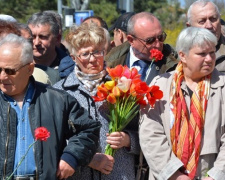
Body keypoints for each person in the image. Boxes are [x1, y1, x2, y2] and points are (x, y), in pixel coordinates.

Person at [0, 34, 101, 180]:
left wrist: (71, 157)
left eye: (10, 71)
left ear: (29, 69)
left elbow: (88, 130)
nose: (2, 77)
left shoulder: (57, 99)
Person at [54, 22, 140, 180]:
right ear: (73, 57)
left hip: (119, 174)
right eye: (85, 54)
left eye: (97, 52)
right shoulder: (59, 91)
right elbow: (53, 139)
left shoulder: (123, 85)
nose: (92, 59)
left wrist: (128, 140)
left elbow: (146, 133)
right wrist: (87, 158)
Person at [139, 27, 225, 180]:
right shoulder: (161, 85)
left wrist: (216, 175)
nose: (209, 59)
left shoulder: (222, 87)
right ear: (183, 56)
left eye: (212, 53)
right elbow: (150, 135)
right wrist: (174, 174)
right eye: (202, 54)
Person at [106, 12, 178, 84]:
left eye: (160, 37)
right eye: (150, 40)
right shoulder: (110, 63)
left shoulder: (173, 67)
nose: (158, 45)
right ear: (131, 40)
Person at [27, 12, 75, 81]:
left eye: (43, 37)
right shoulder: (17, 66)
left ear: (57, 38)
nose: (36, 43)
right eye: (32, 37)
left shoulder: (72, 70)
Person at [186, 0, 225, 73]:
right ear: (189, 27)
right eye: (202, 21)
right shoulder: (182, 55)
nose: (209, 26)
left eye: (213, 19)